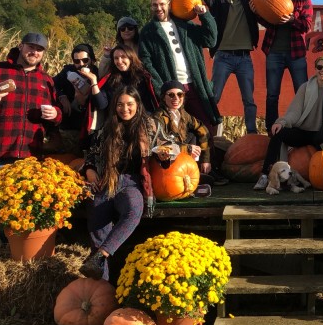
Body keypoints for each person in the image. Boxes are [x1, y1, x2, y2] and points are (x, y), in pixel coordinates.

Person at [0, 32, 62, 261]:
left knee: (18, 217)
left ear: (43, 53)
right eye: (30, 47)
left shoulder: (45, 80)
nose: (34, 52)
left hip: (26, 160)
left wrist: (55, 114)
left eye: (39, 49)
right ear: (20, 46)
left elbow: (56, 117)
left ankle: (10, 264)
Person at [80, 86, 157, 280]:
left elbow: (164, 149)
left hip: (131, 183)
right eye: (120, 104)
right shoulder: (106, 130)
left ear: (137, 106)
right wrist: (89, 171)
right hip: (106, 182)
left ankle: (101, 255)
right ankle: (102, 286)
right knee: (98, 228)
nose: (125, 109)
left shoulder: (149, 129)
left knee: (133, 209)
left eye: (129, 104)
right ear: (115, 106)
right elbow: (90, 156)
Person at [254, 56, 323, 190]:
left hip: (320, 133)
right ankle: (265, 175)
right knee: (279, 134)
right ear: (315, 69)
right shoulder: (305, 88)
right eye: (320, 67)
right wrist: (282, 122)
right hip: (303, 131)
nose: (322, 70)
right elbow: (294, 111)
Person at [138, 0, 220, 135]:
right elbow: (146, 62)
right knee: (175, 131)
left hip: (193, 85)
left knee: (204, 128)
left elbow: (210, 40)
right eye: (154, 5)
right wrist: (160, 87)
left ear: (168, 4)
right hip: (171, 90)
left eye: (162, 4)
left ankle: (207, 159)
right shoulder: (148, 32)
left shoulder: (185, 25)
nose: (158, 8)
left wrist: (205, 16)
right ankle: (181, 158)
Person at [198, 0, 263, 135]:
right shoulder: (219, 1)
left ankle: (251, 134)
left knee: (249, 100)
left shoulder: (250, 1)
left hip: (244, 58)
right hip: (223, 57)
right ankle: (207, 131)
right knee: (214, 96)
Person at [250, 0, 314, 132]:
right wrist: (256, 12)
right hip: (275, 52)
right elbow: (267, 22)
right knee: (272, 94)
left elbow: (307, 25)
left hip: (297, 53)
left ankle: (304, 127)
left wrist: (293, 20)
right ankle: (272, 128)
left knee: (302, 92)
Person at [152, 80, 225, 188]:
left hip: (182, 160)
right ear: (163, 97)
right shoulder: (158, 117)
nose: (176, 98)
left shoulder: (183, 114)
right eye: (171, 95)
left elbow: (203, 130)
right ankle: (190, 176)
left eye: (180, 94)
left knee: (194, 134)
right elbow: (160, 145)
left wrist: (205, 159)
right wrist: (187, 149)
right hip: (167, 163)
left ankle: (196, 169)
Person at [52, 43, 101, 153]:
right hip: (69, 123)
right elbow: (52, 83)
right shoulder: (68, 71)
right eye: (77, 61)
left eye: (85, 60)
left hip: (89, 125)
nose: (81, 64)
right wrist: (62, 96)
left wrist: (83, 102)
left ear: (92, 60)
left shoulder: (98, 75)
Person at [97, 44, 158, 114]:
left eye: (123, 57)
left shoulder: (143, 78)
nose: (119, 61)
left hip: (141, 119)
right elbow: (103, 104)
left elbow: (148, 104)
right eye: (116, 58)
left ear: (131, 58)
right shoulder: (110, 79)